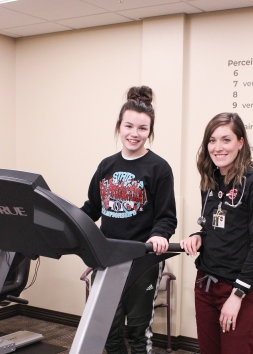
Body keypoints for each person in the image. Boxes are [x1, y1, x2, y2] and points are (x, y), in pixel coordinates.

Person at [81, 85, 177, 354]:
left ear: (150, 131)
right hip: (108, 256)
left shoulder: (159, 168)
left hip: (142, 260)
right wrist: (69, 224)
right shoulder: (106, 166)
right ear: (119, 126)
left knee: (137, 331)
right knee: (107, 329)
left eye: (142, 128)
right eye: (129, 126)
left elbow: (166, 217)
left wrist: (159, 235)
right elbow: (92, 208)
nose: (134, 134)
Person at [180, 112, 253, 354]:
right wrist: (199, 236)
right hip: (206, 283)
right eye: (212, 140)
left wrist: (237, 295)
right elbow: (214, 227)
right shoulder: (210, 180)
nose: (217, 147)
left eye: (226, 140)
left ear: (240, 143)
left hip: (238, 288)